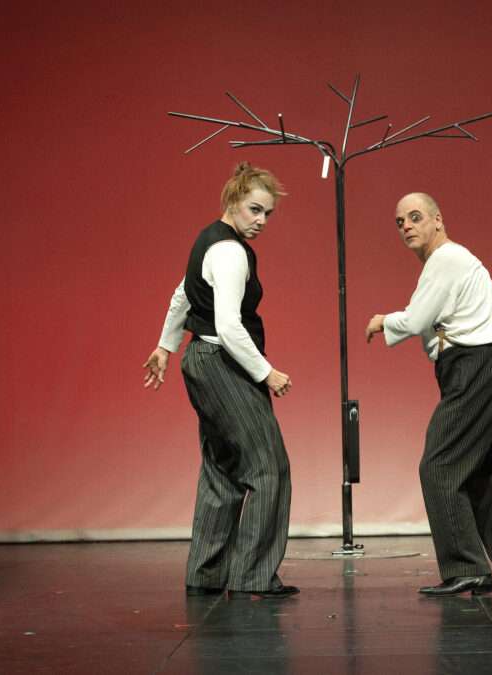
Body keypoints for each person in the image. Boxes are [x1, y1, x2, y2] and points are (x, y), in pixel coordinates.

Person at [142, 162, 298, 598]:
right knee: (269, 468)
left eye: (267, 213)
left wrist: (165, 346)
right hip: (221, 362)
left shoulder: (207, 239)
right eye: (254, 209)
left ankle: (207, 572)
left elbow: (182, 295)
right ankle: (252, 576)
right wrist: (267, 372)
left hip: (200, 360)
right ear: (233, 201)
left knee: (222, 469)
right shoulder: (230, 251)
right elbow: (229, 326)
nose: (261, 220)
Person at [365, 192, 492, 596]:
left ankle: (466, 568)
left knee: (438, 466)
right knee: (480, 476)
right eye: (400, 222)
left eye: (415, 217)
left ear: (438, 219)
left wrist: (383, 320)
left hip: (475, 368)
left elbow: (417, 318)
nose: (406, 226)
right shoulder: (455, 260)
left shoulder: (445, 259)